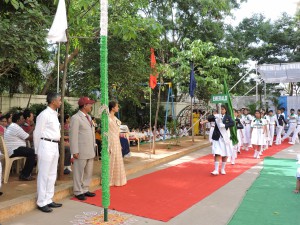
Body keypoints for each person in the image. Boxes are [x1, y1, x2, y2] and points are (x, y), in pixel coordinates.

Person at [34, 93, 62, 213]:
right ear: (53, 101)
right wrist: (37, 150)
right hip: (45, 145)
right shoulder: (44, 114)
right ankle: (41, 202)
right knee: (44, 174)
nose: (61, 102)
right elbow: (37, 133)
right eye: (59, 100)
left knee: (51, 174)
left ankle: (48, 199)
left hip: (54, 145)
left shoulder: (54, 114)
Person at [69, 97, 96, 200]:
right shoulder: (76, 118)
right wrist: (74, 151)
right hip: (80, 150)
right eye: (89, 104)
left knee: (88, 172)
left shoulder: (89, 117)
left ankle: (85, 189)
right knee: (78, 172)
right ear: (84, 105)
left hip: (90, 149)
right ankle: (77, 191)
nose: (91, 106)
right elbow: (73, 136)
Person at [4, 112, 36, 181]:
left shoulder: (13, 126)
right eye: (22, 119)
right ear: (18, 120)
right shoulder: (16, 128)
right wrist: (38, 134)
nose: (24, 120)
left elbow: (26, 135)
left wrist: (33, 128)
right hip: (13, 150)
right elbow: (29, 138)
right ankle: (25, 175)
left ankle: (24, 174)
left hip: (12, 149)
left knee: (30, 151)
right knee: (32, 152)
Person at [209, 105, 234, 175]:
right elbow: (209, 119)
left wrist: (225, 125)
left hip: (225, 137)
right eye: (220, 109)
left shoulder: (228, 117)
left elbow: (232, 123)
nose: (221, 110)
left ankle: (222, 169)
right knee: (217, 152)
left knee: (225, 153)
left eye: (223, 109)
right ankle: (216, 170)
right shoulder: (217, 116)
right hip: (217, 137)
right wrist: (213, 115)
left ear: (225, 110)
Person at [109, 101, 127, 186]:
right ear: (112, 108)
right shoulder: (107, 118)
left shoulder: (116, 119)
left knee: (118, 158)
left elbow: (118, 131)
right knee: (111, 159)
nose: (118, 108)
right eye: (117, 106)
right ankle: (109, 179)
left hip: (116, 140)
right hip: (110, 140)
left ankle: (117, 179)